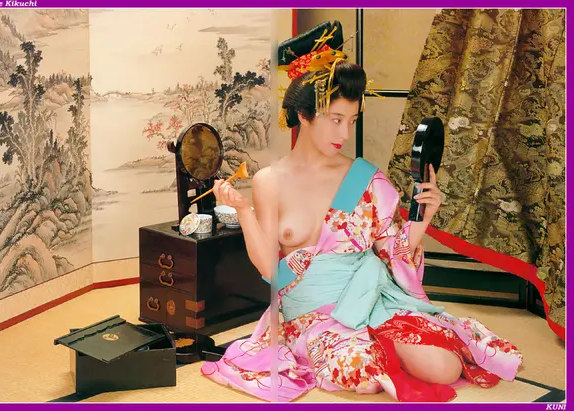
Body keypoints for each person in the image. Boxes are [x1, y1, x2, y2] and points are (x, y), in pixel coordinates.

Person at [200, 21, 522, 402]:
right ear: (303, 115)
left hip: (375, 299)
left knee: (445, 366)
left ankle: (389, 336)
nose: (344, 134)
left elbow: (393, 254)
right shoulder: (269, 181)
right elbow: (271, 270)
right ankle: (372, 346)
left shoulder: (363, 178)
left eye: (351, 121)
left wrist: (422, 219)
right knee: (364, 372)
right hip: (314, 317)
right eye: (335, 120)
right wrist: (243, 210)